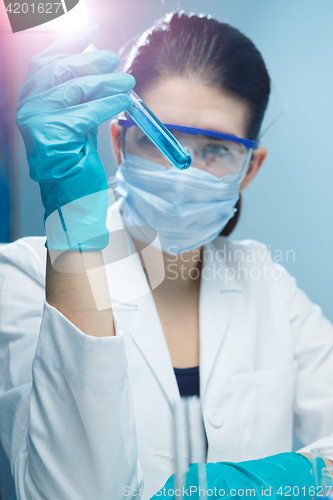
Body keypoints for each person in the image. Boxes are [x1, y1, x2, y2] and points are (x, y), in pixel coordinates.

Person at [0, 12, 333, 500]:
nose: (184, 174)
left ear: (250, 167)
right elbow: (71, 491)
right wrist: (74, 244)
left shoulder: (269, 285)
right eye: (162, 141)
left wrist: (306, 476)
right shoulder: (24, 276)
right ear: (118, 141)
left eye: (217, 149)